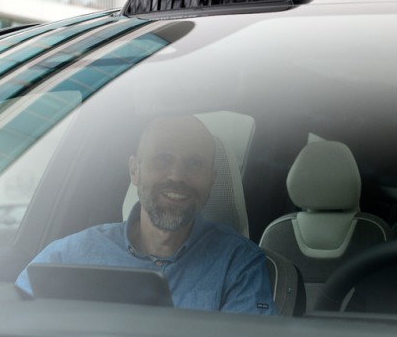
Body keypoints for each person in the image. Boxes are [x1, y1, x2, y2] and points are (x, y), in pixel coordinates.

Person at [16, 115, 277, 315]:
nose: (177, 176)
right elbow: (18, 330)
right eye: (162, 160)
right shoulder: (68, 256)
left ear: (211, 181)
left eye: (194, 164)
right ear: (134, 170)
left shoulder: (238, 264)